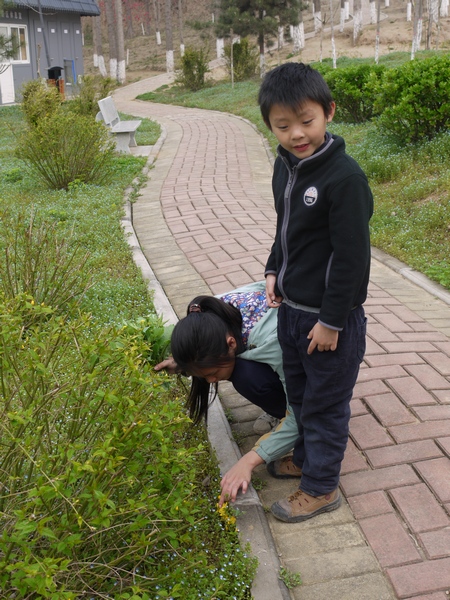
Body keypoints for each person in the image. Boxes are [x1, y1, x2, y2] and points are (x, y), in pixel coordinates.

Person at [221, 62, 373, 522]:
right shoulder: (285, 167)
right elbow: (286, 232)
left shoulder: (344, 179)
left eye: (306, 121)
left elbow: (352, 259)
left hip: (329, 321)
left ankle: (322, 487)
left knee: (325, 406)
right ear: (270, 125)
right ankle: (306, 461)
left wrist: (331, 321)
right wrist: (273, 269)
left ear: (328, 112)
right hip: (290, 313)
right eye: (283, 126)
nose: (296, 134)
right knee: (301, 400)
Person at [154, 281, 288, 433]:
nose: (211, 381)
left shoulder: (274, 340)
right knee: (231, 367)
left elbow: (296, 390)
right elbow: (201, 353)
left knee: (245, 376)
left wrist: (263, 451)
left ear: (231, 343)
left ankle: (287, 416)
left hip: (311, 361)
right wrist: (182, 364)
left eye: (212, 374)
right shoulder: (208, 312)